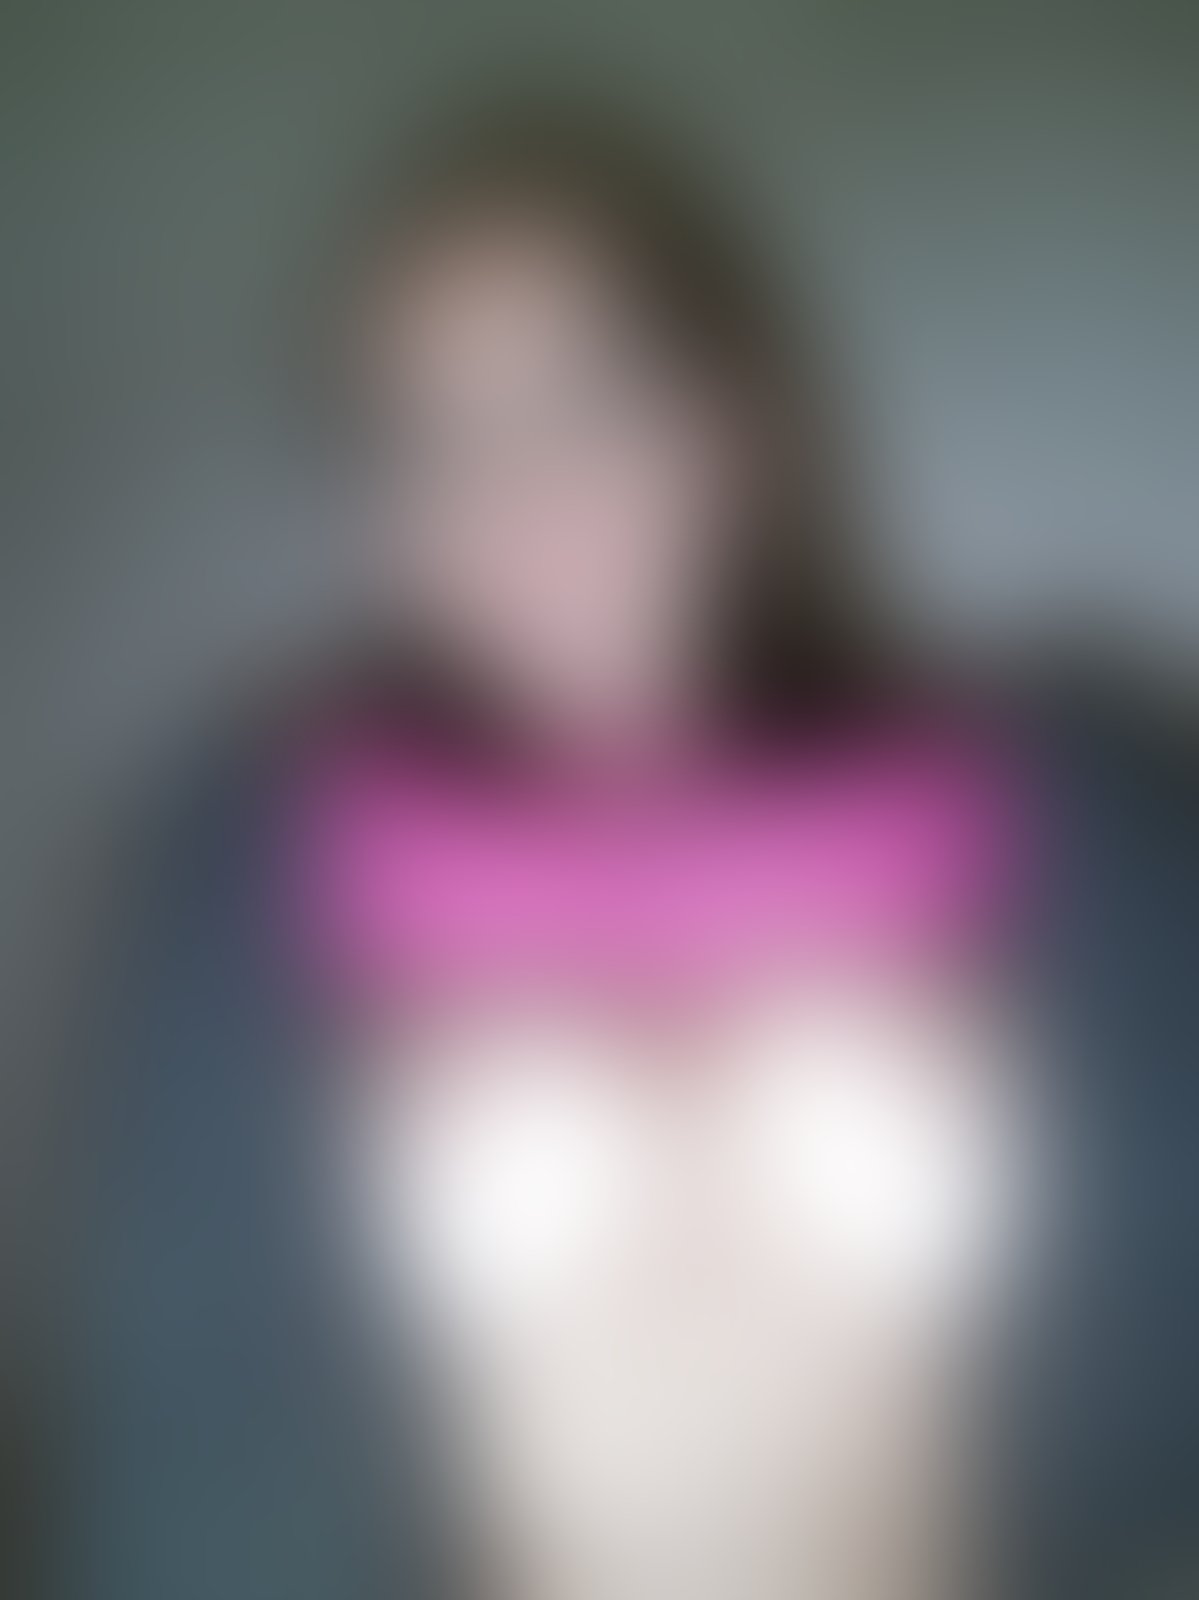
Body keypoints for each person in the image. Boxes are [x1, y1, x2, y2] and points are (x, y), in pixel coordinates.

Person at [61, 105, 1197, 1600]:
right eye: (428, 440)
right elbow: (186, 1454)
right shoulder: (254, 873)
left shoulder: (1060, 812)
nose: (516, 500)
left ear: (733, 430)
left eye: (582, 400)